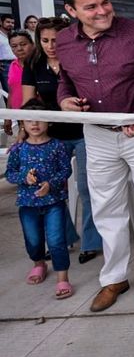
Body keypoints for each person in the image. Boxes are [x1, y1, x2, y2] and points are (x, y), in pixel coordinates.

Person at [57, 0, 134, 312]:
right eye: (90, 6)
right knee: (106, 207)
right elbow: (65, 80)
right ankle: (114, 278)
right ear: (71, 10)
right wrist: (65, 100)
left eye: (104, 1)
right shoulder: (64, 42)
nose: (102, 10)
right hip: (96, 133)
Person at [22, 17, 101, 264]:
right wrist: (26, 132)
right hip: (51, 136)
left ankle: (91, 242)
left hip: (84, 131)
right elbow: (28, 105)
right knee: (51, 188)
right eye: (44, 40)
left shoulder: (77, 62)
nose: (50, 45)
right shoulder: (34, 64)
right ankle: (63, 237)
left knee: (87, 188)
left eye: (55, 40)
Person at [7, 99, 73, 299]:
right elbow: (10, 173)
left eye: (39, 120)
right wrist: (24, 178)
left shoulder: (57, 146)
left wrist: (50, 185)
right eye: (29, 120)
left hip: (54, 202)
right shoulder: (19, 149)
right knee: (33, 241)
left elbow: (66, 169)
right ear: (23, 124)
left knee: (56, 241)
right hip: (27, 204)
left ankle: (63, 278)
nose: (34, 125)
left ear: (49, 121)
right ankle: (39, 263)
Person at [4, 31, 35, 135]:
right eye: (14, 46)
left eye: (23, 44)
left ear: (32, 44)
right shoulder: (13, 65)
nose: (19, 49)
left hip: (37, 115)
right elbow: (11, 92)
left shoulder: (38, 66)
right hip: (19, 116)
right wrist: (8, 117)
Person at [0, 13, 16, 94]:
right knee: (9, 92)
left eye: (12, 23)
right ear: (1, 22)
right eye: (8, 22)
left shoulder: (14, 35)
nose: (10, 24)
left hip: (17, 63)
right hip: (5, 65)